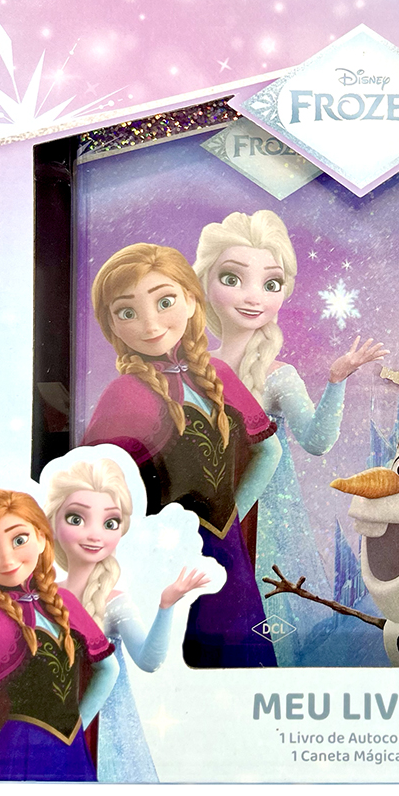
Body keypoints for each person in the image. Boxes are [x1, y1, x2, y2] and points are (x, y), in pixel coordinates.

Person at [194, 210, 386, 666]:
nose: (253, 297)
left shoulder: (279, 376)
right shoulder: (195, 368)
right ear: (205, 284)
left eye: (271, 283)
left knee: (260, 606)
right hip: (203, 503)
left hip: (265, 512)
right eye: (232, 278)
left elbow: (317, 440)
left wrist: (336, 380)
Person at [82, 243, 281, 668]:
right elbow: (92, 488)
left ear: (191, 300)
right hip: (163, 561)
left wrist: (232, 514)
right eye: (127, 312)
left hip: (227, 553)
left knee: (244, 659)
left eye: (165, 301)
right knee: (179, 662)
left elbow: (269, 451)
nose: (150, 324)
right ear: (111, 324)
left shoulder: (219, 375)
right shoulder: (124, 395)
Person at [0, 490, 118, 780]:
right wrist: (2, 740)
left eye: (19, 540)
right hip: (19, 758)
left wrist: (80, 724)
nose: (7, 560)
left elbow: (108, 668)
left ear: (41, 538)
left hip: (71, 751)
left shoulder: (65, 603)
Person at [45, 455, 208, 782]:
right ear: (53, 524)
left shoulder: (115, 603)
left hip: (107, 730)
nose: (95, 535)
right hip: (48, 719)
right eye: (77, 519)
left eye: (110, 523)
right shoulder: (44, 597)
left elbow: (148, 660)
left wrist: (166, 605)